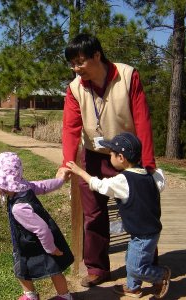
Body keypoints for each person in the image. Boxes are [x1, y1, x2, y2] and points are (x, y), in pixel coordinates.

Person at [59, 33, 157, 287]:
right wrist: (67, 163)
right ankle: (97, 268)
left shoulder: (127, 76)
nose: (76, 68)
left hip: (128, 158)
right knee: (93, 215)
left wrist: (148, 165)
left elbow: (142, 120)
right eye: (72, 64)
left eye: (80, 62)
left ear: (97, 55)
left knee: (141, 211)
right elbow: (70, 128)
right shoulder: (75, 88)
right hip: (92, 156)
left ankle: (146, 263)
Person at [66, 132, 170, 299]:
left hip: (142, 235)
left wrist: (80, 171)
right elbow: (161, 178)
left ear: (121, 157)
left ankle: (161, 276)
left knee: (137, 267)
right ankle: (132, 287)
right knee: (131, 259)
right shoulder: (152, 176)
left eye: (111, 154)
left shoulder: (123, 181)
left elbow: (98, 185)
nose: (110, 157)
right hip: (150, 231)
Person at [0, 152, 74, 300]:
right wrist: (59, 181)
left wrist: (51, 249)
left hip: (40, 242)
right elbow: (43, 186)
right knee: (22, 269)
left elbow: (42, 229)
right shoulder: (24, 187)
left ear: (2, 184)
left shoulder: (19, 208)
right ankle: (30, 295)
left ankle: (65, 296)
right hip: (27, 242)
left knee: (54, 269)